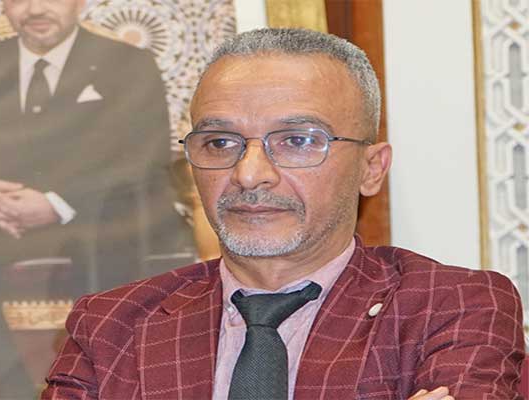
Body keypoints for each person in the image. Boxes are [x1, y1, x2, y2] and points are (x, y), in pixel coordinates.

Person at [42, 28, 526, 399]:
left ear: (371, 168)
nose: (250, 174)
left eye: (297, 140)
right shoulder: (112, 325)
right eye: (220, 142)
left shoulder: (451, 306)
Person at [0, 0, 180, 398]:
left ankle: (109, 381)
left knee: (110, 246)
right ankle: (11, 382)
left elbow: (145, 157)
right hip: (3, 215)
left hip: (97, 212)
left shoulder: (127, 63)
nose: (35, 9)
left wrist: (56, 203)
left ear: (79, 3)